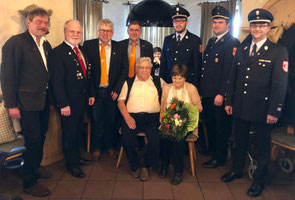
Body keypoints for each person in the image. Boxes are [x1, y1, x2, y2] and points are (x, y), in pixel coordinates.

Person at [221, 9, 289, 197]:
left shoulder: (278, 51)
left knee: (262, 148)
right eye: (254, 25)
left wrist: (274, 111)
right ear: (250, 27)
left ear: (268, 28)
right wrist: (229, 100)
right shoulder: (242, 49)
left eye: (261, 25)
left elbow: (279, 85)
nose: (257, 28)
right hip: (241, 106)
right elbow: (232, 77)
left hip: (263, 109)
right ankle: (236, 170)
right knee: (239, 142)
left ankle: (259, 180)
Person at [1, 8, 52, 197]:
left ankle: (36, 166)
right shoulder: (16, 43)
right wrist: (11, 105)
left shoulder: (45, 44)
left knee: (42, 136)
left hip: (43, 101)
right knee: (33, 140)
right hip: (26, 103)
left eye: (45, 23)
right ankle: (29, 181)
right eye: (39, 22)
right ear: (28, 22)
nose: (43, 26)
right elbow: (7, 76)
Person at [49, 20, 95, 178]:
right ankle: (72, 164)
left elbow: (86, 76)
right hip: (67, 104)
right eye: (72, 32)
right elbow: (56, 82)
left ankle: (77, 157)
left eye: (78, 32)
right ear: (65, 32)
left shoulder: (81, 50)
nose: (75, 35)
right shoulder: (57, 53)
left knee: (77, 132)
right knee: (69, 133)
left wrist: (90, 94)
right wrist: (63, 104)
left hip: (81, 101)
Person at [200, 6, 240, 168]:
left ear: (228, 24)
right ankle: (212, 150)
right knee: (210, 124)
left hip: (219, 94)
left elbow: (229, 72)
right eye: (214, 22)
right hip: (208, 92)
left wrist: (221, 94)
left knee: (221, 127)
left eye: (220, 22)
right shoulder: (211, 41)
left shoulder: (232, 42)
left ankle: (220, 157)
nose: (216, 25)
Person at [83, 19, 128, 161]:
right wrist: (90, 93)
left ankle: (110, 146)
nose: (105, 33)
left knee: (111, 121)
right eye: (102, 30)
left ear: (112, 33)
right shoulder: (88, 45)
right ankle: (97, 148)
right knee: (96, 121)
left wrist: (117, 89)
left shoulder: (119, 47)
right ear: (98, 31)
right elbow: (87, 73)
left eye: (108, 31)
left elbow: (124, 70)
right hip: (95, 92)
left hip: (112, 92)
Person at [117, 57, 166, 181]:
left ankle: (145, 165)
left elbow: (169, 95)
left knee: (156, 140)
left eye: (147, 67)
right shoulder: (129, 82)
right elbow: (121, 102)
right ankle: (134, 165)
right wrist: (127, 117)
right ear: (136, 68)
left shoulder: (158, 81)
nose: (144, 70)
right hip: (132, 117)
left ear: (151, 68)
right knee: (126, 139)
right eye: (141, 67)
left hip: (153, 118)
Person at [159, 64, 202, 185]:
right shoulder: (166, 88)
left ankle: (178, 171)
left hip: (187, 123)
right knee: (163, 135)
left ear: (185, 78)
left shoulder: (191, 88)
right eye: (174, 78)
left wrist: (185, 112)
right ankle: (165, 166)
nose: (177, 81)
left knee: (178, 138)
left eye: (180, 78)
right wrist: (164, 120)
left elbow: (199, 107)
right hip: (169, 121)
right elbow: (162, 107)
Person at [160, 6, 202, 85]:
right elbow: (163, 64)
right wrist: (161, 83)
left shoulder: (195, 40)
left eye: (181, 21)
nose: (178, 24)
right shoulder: (167, 39)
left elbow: (197, 66)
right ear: (173, 23)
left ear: (186, 22)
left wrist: (196, 87)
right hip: (169, 82)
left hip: (187, 83)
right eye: (176, 21)